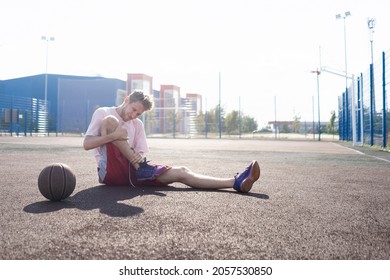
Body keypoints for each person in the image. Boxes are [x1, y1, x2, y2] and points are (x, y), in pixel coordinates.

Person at [83, 90, 260, 193]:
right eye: (133, 109)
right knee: (111, 123)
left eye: (138, 114)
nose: (133, 115)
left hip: (132, 172)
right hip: (109, 172)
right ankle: (142, 169)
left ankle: (235, 182)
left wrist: (137, 158)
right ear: (127, 99)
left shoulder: (137, 125)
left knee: (182, 172)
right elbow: (87, 144)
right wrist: (113, 136)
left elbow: (139, 153)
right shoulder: (103, 112)